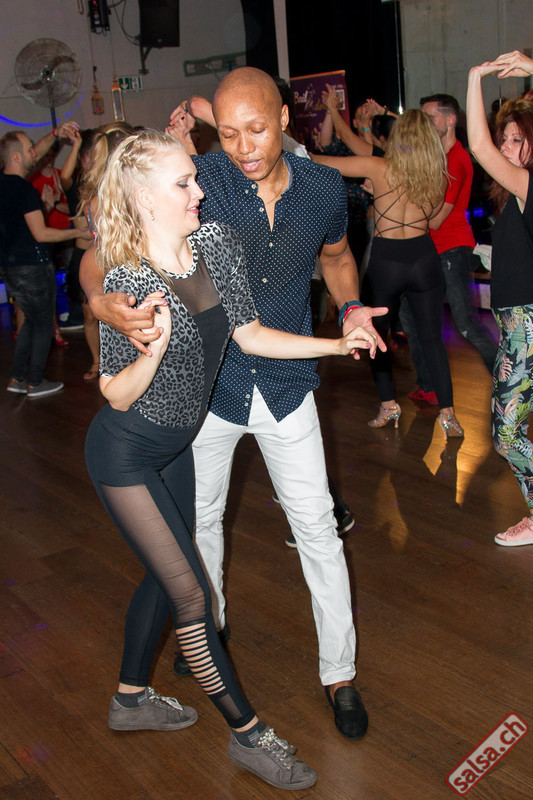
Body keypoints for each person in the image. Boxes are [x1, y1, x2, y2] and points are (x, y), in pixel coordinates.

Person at [83, 67, 387, 741]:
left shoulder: (323, 188)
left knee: (317, 529)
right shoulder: (202, 184)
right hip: (210, 394)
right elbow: (114, 250)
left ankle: (338, 673)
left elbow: (337, 258)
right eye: (226, 134)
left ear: (284, 118)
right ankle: (207, 634)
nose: (243, 148)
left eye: (255, 130)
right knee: (201, 526)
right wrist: (103, 304)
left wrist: (351, 308)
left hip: (286, 386)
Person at [314, 109, 464, 439]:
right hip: (423, 258)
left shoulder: (379, 168)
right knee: (432, 339)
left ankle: (388, 405)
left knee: (377, 337)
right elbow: (432, 219)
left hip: (387, 262)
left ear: (398, 138)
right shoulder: (438, 177)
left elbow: (322, 162)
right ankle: (448, 415)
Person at [467, 51, 533, 546]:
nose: (505, 147)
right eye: (504, 138)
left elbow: (477, 145)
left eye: (515, 139)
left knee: (507, 433)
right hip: (515, 329)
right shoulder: (512, 196)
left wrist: (475, 77)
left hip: (527, 328)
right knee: (507, 430)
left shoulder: (528, 184)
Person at [400, 94, 498, 405]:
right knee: (409, 315)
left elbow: (438, 218)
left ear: (450, 120)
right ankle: (428, 386)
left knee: (466, 324)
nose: (426, 125)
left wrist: (404, 210)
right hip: (430, 251)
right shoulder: (434, 157)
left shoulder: (457, 159)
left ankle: (507, 380)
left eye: (431, 119)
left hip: (453, 250)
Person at [0, 123, 91, 397]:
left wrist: (54, 135)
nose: (35, 154)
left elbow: (33, 152)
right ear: (17, 156)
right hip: (34, 266)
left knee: (29, 321)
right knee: (42, 324)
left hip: (11, 267)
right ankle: (35, 381)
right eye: (29, 150)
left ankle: (17, 377)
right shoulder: (25, 190)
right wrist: (78, 231)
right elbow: (41, 234)